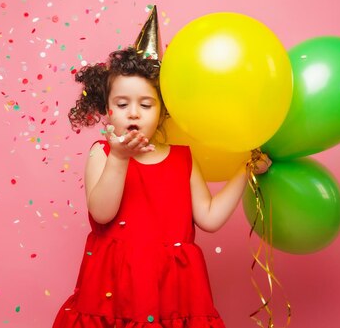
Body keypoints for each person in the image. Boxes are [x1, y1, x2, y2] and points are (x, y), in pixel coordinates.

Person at [53, 47, 271, 328]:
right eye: (122, 104)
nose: (134, 113)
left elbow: (209, 217)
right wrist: (120, 157)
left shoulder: (183, 158)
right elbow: (102, 213)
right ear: (106, 107)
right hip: (113, 290)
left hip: (172, 289)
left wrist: (246, 170)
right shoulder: (103, 153)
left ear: (164, 109)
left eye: (146, 105)